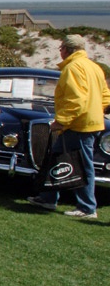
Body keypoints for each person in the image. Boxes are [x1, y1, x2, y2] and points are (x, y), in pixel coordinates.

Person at [27, 34, 110, 219]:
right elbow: (106, 95)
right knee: (57, 157)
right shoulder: (95, 67)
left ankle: (87, 207)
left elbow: (76, 100)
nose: (60, 51)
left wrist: (62, 120)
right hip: (91, 121)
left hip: (80, 124)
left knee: (81, 164)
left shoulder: (73, 68)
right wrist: (97, 110)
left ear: (67, 49)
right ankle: (48, 197)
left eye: (61, 48)